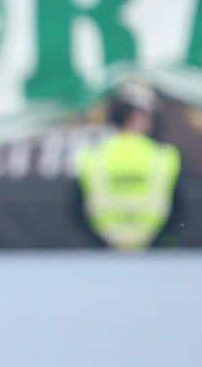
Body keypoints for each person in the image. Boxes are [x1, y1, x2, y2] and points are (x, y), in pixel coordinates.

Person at [75, 83, 181, 250]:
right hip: (154, 250)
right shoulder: (163, 157)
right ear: (139, 117)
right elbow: (178, 211)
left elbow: (77, 211)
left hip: (103, 250)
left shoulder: (94, 157)